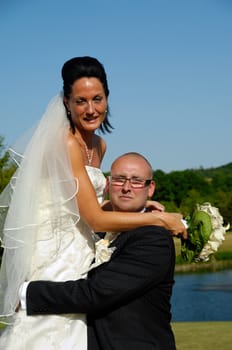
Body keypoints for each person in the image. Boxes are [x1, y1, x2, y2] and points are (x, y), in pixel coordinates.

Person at [0, 57, 185, 349]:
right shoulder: (66, 143)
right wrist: (160, 219)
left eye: (97, 99)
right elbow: (96, 219)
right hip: (56, 251)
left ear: (107, 99)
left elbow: (89, 204)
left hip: (82, 252)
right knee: (50, 331)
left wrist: (142, 207)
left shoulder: (99, 145)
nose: (90, 109)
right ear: (67, 102)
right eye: (80, 101)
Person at [22, 152, 177, 349]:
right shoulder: (99, 226)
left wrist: (27, 292)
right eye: (119, 180)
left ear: (150, 188)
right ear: (108, 183)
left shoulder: (154, 239)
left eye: (137, 181)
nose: (127, 188)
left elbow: (95, 294)